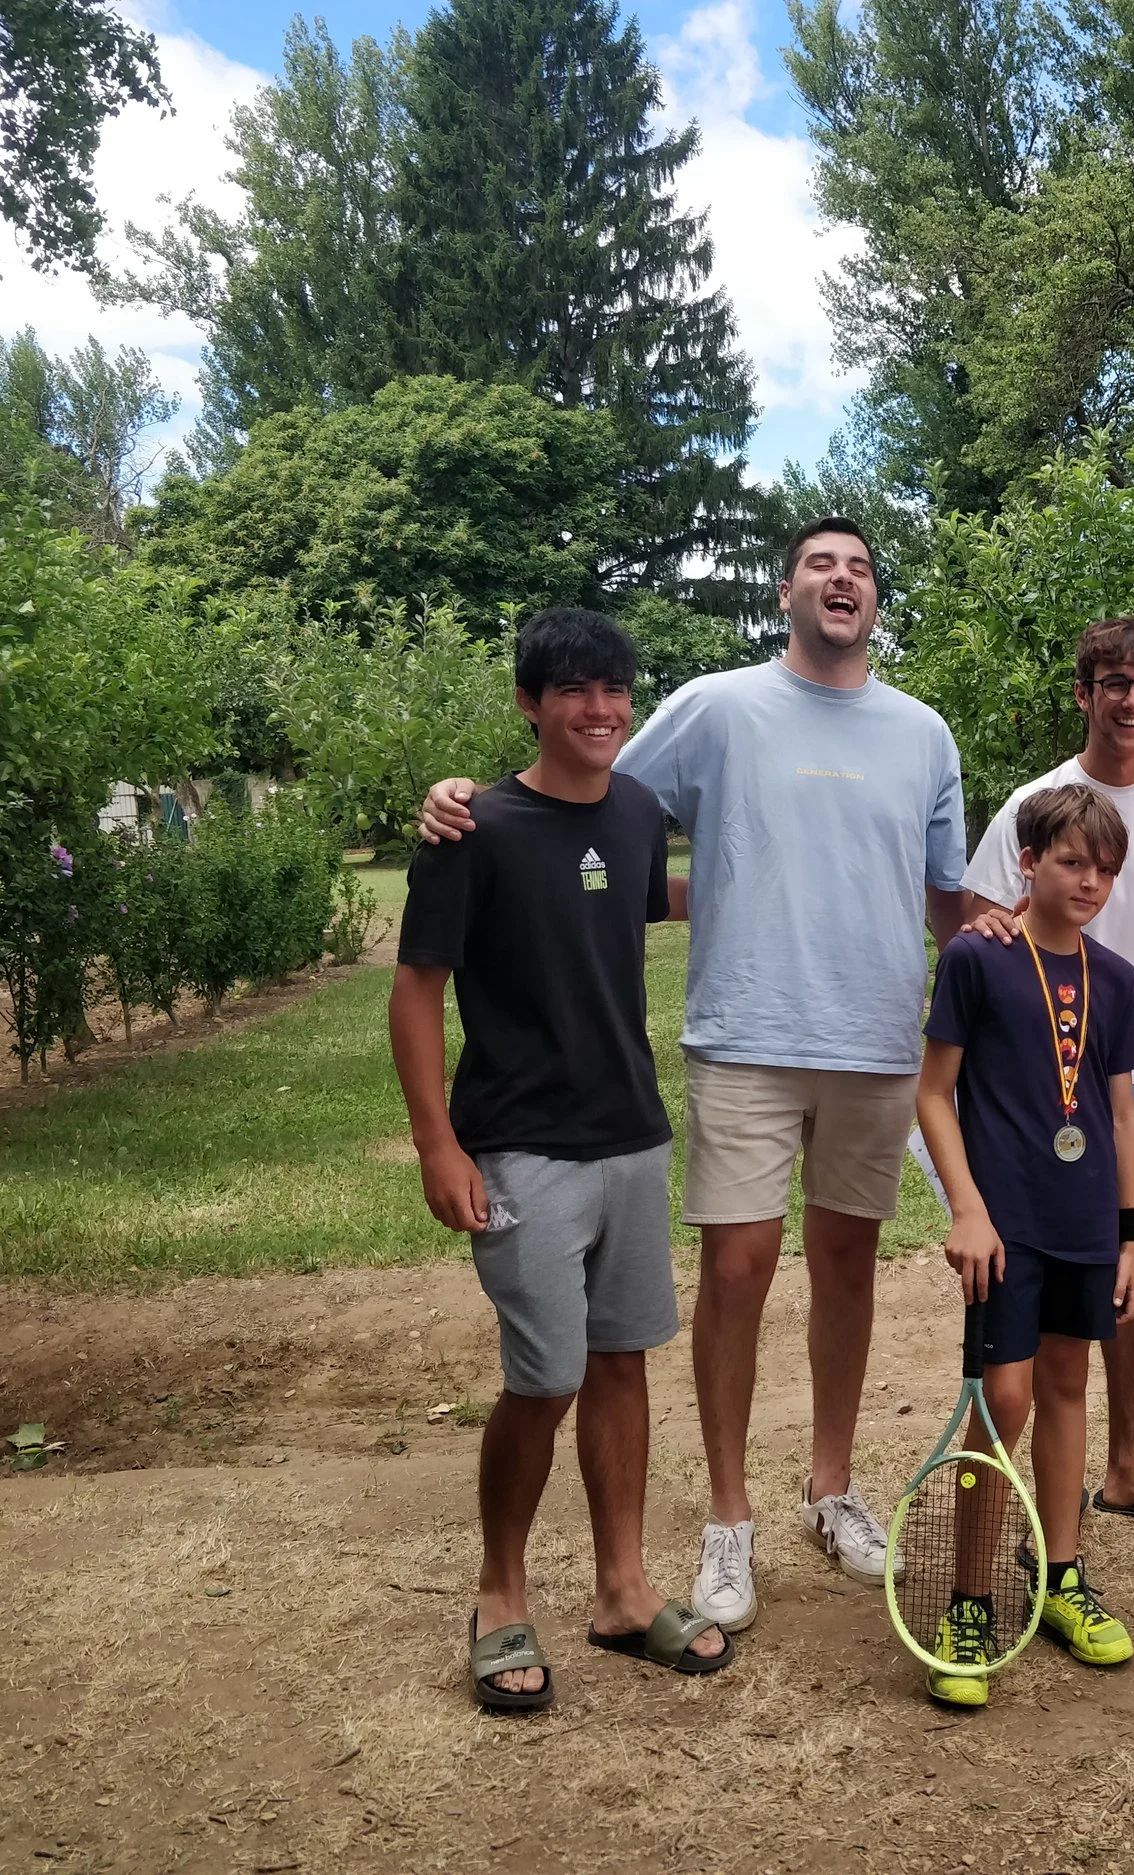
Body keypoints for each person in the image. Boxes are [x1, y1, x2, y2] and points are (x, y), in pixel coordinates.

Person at [417, 519, 968, 1634]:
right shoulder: (717, 706)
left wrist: (991, 984)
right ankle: (727, 1521)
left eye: (859, 566)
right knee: (736, 1269)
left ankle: (831, 1488)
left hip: (873, 1039)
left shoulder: (923, 732)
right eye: (821, 563)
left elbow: (945, 897)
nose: (842, 577)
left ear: (875, 599)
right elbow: (590, 780)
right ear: (785, 593)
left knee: (847, 1264)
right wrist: (458, 797)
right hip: (744, 1031)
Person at [390, 608, 731, 1711]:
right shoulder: (469, 829)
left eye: (616, 688)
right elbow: (415, 993)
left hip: (630, 1136)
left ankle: (623, 1594)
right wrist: (438, 1143)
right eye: (576, 691)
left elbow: (643, 902)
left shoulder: (635, 811)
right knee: (544, 1376)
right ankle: (499, 1593)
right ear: (531, 704)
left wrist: (772, 887)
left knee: (624, 1362)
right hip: (520, 1146)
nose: (601, 709)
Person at [960, 616, 1134, 1535]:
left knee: (1132, 1270)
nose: (1131, 698)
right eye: (1112, 680)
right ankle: (1033, 1461)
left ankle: (1127, 1461)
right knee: (1040, 1280)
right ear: (1083, 692)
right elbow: (979, 915)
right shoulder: (1036, 803)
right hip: (1045, 1096)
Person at [915, 783, 1134, 1706]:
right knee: (1002, 1401)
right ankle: (970, 1597)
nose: (1088, 879)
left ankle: (1059, 1576)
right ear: (1028, 861)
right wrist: (966, 1207)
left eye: (1104, 867)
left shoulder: (1116, 976)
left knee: (1065, 1388)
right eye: (1070, 861)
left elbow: (1123, 1115)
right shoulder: (978, 957)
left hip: (1087, 1222)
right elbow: (934, 1094)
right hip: (1004, 1228)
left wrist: (1130, 1235)